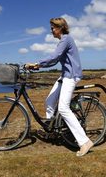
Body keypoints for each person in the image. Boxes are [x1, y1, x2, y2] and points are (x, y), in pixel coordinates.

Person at [25, 17, 93, 157]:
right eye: (51, 27)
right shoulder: (62, 41)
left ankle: (84, 142)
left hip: (72, 76)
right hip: (65, 75)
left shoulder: (66, 39)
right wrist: (38, 66)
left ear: (61, 27)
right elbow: (55, 60)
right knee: (49, 101)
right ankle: (51, 131)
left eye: (53, 27)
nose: (52, 30)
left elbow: (54, 57)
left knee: (63, 108)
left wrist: (37, 63)